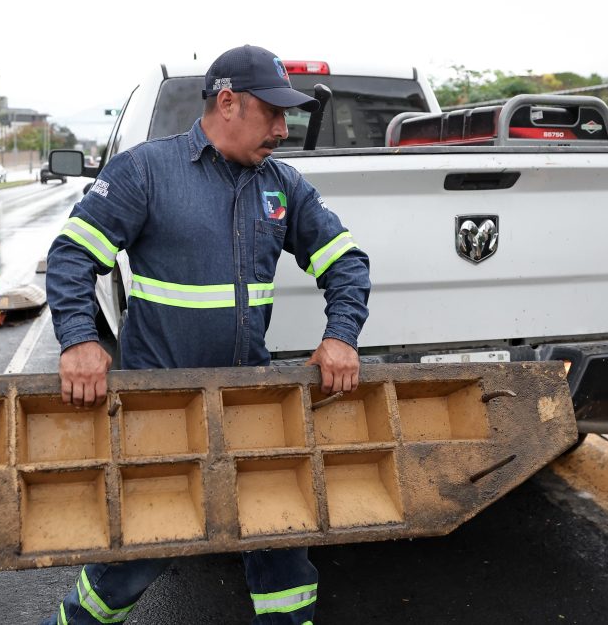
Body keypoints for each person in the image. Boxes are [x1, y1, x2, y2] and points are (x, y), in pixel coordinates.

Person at [44, 45, 371, 625]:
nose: (283, 127)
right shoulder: (146, 171)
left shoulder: (283, 186)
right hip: (161, 407)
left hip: (251, 404)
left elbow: (346, 263)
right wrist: (78, 341)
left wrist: (341, 335)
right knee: (140, 551)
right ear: (227, 102)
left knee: (280, 540)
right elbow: (72, 257)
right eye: (272, 112)